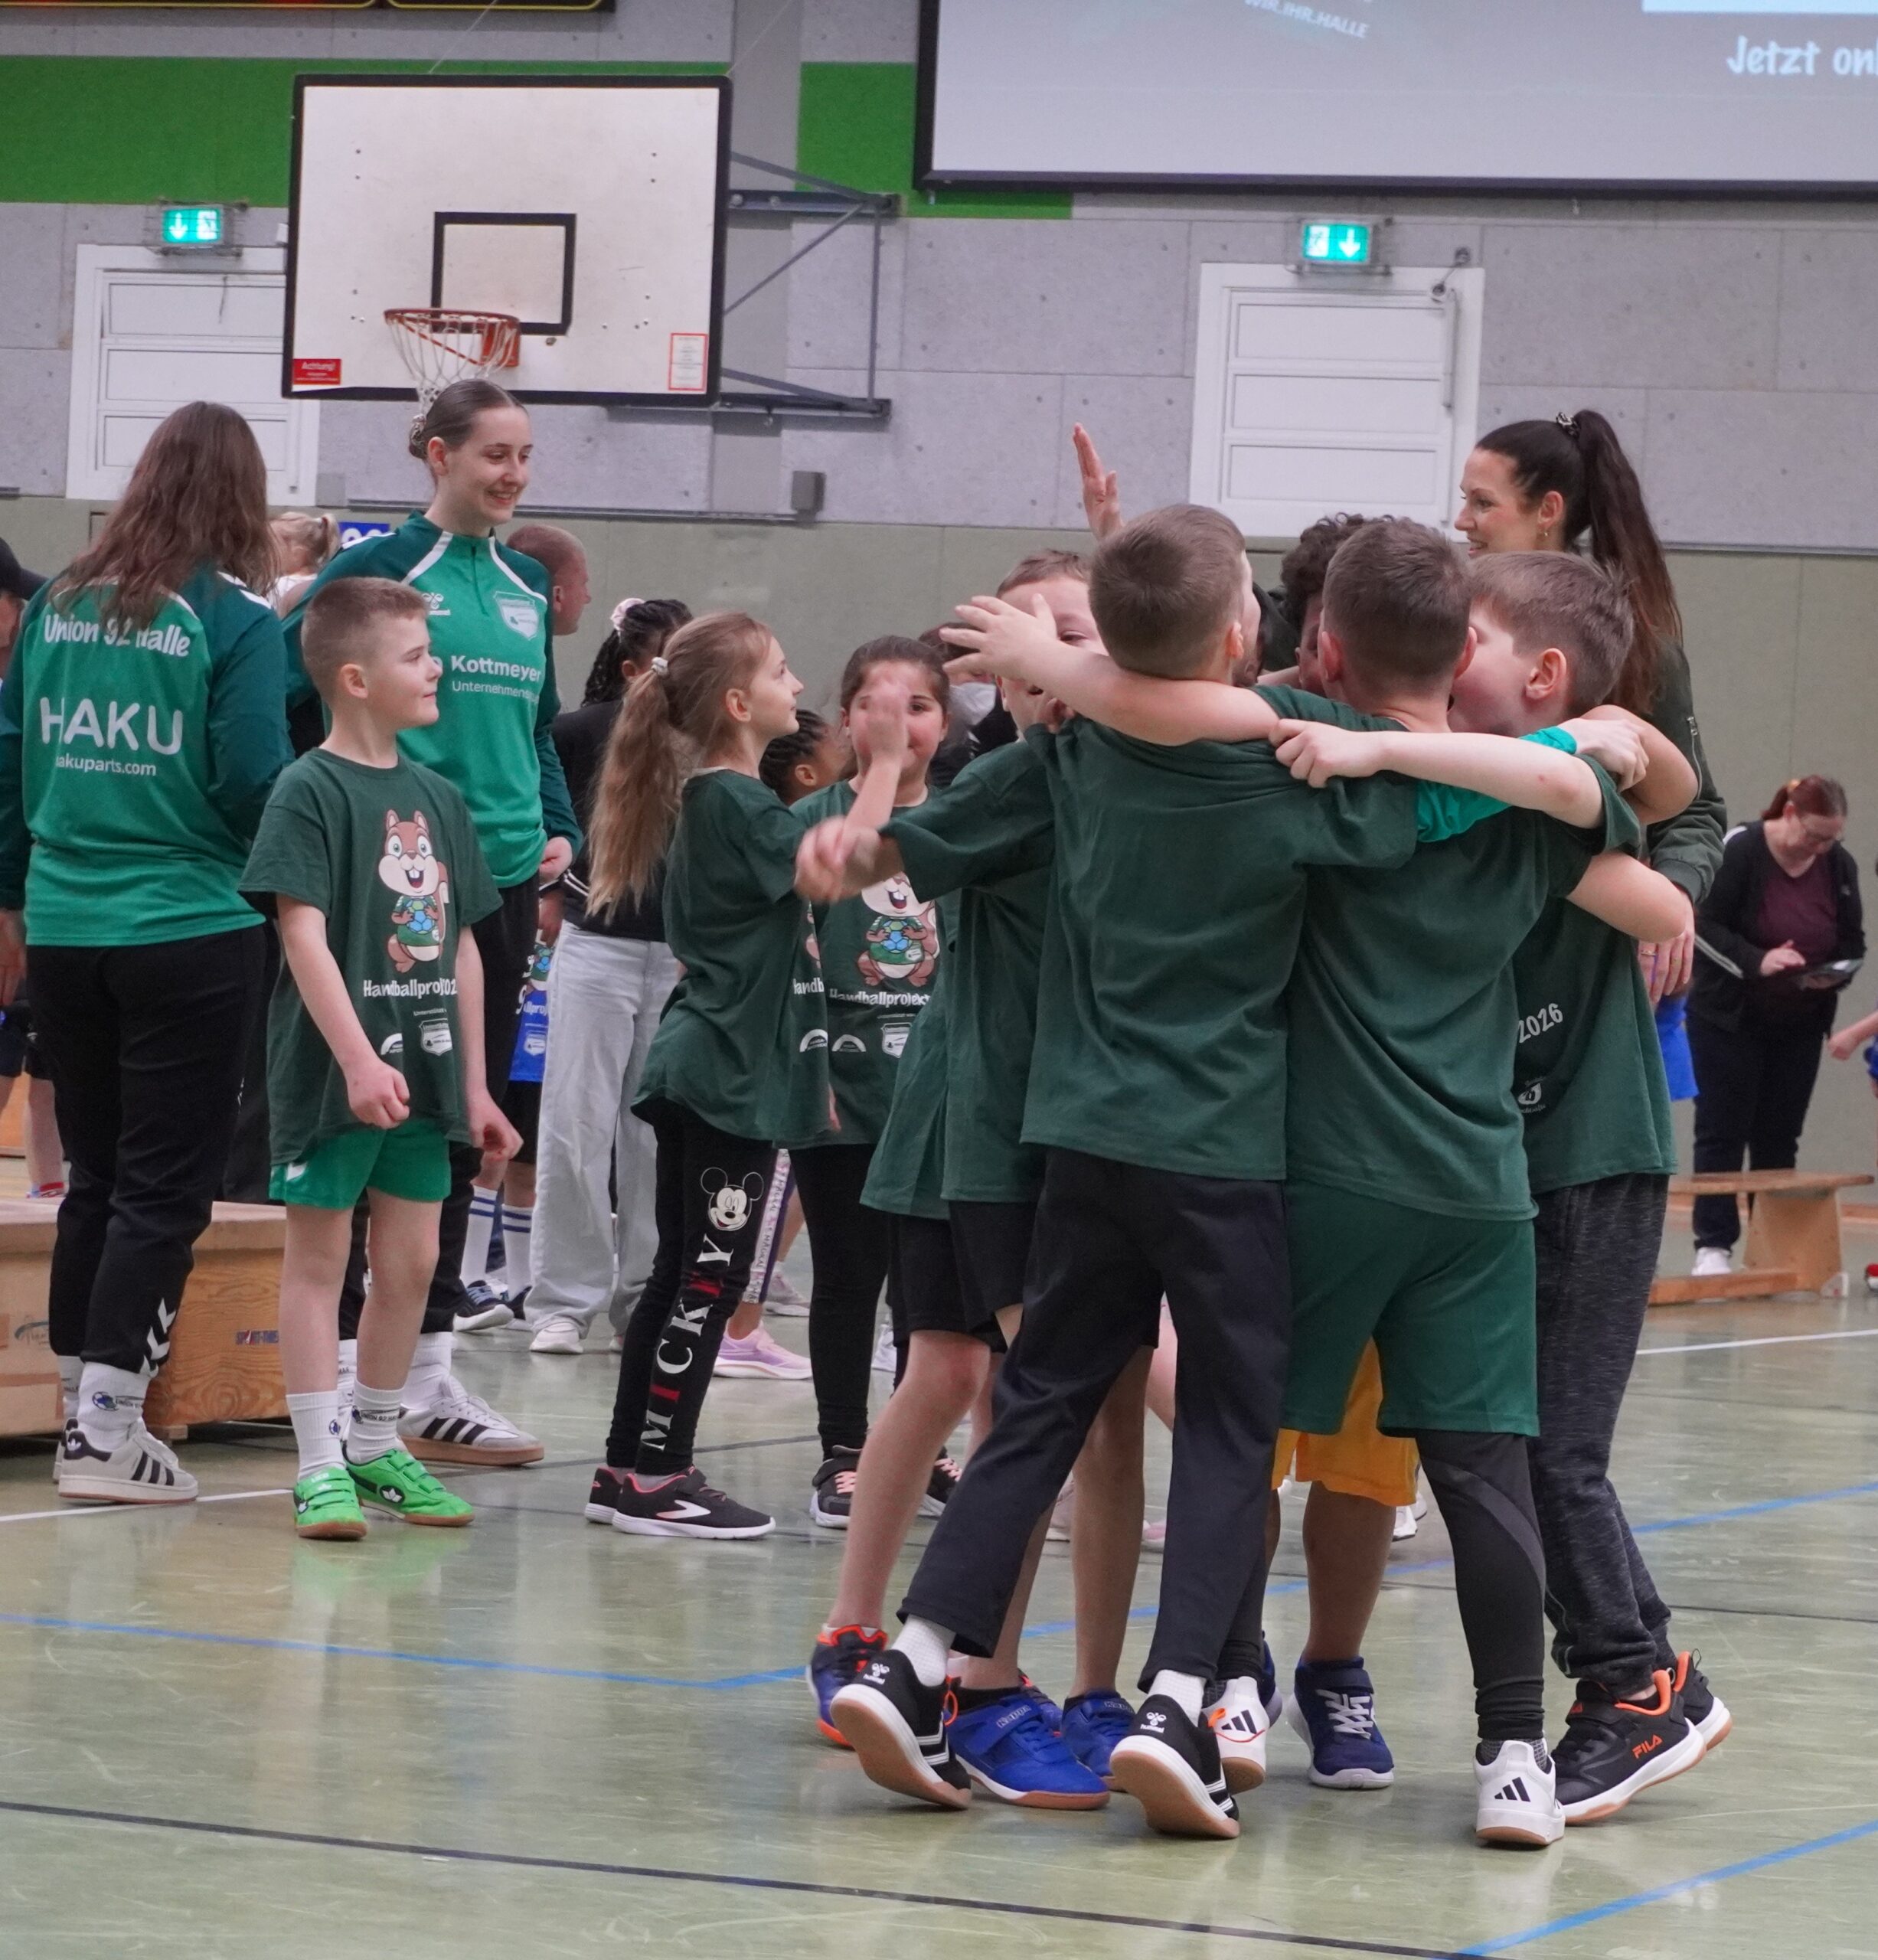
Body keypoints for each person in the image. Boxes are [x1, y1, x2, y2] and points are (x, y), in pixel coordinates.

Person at [825, 506, 1654, 1841]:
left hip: (1088, 1139)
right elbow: (1594, 845)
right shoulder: (1317, 778)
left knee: (1038, 1405)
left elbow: (910, 851)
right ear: (1248, 634)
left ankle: (919, 1657)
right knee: (1274, 1436)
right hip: (1277, 1159)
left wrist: (893, 792)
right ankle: (1209, 1710)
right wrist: (1581, 746)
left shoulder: (1079, 754)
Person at [1443, 550, 1732, 1821]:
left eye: (1469, 637)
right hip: (1509, 1152)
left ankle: (1630, 1680)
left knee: (1554, 1450)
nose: (1446, 655)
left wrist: (1610, 734)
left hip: (1590, 1150)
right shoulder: (1478, 771)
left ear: (1545, 675)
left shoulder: (1566, 785)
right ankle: (1648, 1671)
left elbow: (1670, 806)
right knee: (1518, 1443)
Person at [283, 377, 580, 1468]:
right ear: (438, 455)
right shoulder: (380, 570)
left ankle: (428, 1374)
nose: (513, 474)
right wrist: (337, 826)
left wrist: (558, 826)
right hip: (390, 894)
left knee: (460, 1128)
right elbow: (295, 688)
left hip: (491, 895)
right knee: (366, 1127)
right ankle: (346, 1386)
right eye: (495, 453)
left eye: (525, 455)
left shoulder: (525, 581)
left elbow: (539, 727)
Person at [0, 401, 289, 1501]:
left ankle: (84, 1408)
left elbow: (11, 756)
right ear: (242, 496)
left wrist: (18, 895)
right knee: (167, 1190)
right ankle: (108, 1433)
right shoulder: (236, 618)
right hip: (187, 925)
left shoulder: (58, 602)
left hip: (66, 924)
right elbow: (251, 774)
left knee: (96, 1179)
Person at [577, 612, 908, 1540]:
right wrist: (882, 765)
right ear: (735, 702)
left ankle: (628, 1468)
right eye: (779, 670)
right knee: (705, 1283)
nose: (794, 684)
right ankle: (658, 1473)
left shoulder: (727, 799)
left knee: (683, 1275)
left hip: (713, 1063)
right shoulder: (733, 801)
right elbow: (833, 870)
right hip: (724, 1071)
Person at [241, 577, 518, 1539]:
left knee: (413, 1261)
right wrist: (358, 1059)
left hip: (427, 1073)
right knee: (321, 1260)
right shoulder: (307, 790)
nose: (435, 669)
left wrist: (474, 1084)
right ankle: (318, 1462)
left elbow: (463, 943)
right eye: (416, 656)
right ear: (355, 678)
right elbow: (302, 934)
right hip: (334, 1074)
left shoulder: (438, 797)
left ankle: (374, 1441)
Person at [1456, 409, 1726, 979]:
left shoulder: (1640, 651)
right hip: (1467, 915)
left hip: (1577, 952)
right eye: (1464, 500)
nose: (1461, 521)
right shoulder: (1441, 618)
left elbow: (1693, 806)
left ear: (1547, 511)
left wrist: (1674, 889)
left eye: (1482, 503)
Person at [784, 638, 950, 1525]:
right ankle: (843, 1451)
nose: (898, 726)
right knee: (848, 1272)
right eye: (878, 707)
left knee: (927, 1285)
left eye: (916, 707)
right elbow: (821, 895)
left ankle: (920, 1447)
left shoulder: (963, 819)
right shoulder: (813, 820)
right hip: (840, 1084)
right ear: (845, 718)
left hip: (936, 1087)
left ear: (945, 721)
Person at [523, 600, 693, 1357]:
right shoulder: (580, 733)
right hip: (595, 946)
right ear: (631, 670)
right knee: (575, 1125)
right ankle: (563, 1300)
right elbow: (548, 818)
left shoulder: (708, 745)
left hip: (679, 956)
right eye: (665, 662)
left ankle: (644, 1300)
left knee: (655, 1135)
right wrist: (549, 893)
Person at [1687, 777, 1863, 1273]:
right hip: (1728, 1021)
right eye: (1814, 835)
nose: (1821, 848)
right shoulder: (1740, 851)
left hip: (1799, 1024)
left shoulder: (1838, 866)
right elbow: (1700, 924)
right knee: (1721, 1132)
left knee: (1779, 1137)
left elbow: (1852, 942)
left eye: (1831, 839)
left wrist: (1832, 975)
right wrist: (1757, 961)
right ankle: (1713, 1245)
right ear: (1788, 814)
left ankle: (1773, 1246)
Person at [268, 511, 340, 616]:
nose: (267, 552)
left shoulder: (278, 587)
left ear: (297, 554)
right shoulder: (324, 582)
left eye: (273, 546)